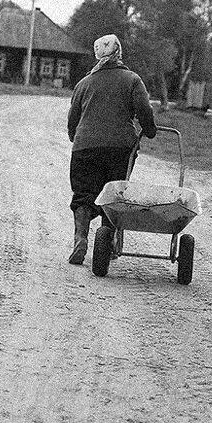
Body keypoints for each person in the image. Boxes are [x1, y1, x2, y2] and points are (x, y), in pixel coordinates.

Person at [65, 34, 158, 265]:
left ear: (97, 55)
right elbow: (144, 110)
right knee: (114, 195)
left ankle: (81, 238)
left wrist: (75, 137)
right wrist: (149, 129)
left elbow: (72, 119)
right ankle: (107, 244)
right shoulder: (132, 80)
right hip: (120, 148)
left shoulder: (83, 83)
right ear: (119, 53)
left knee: (84, 195)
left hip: (85, 147)